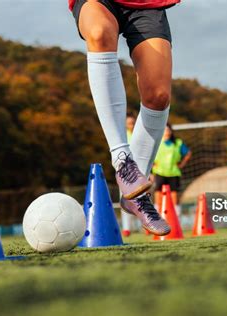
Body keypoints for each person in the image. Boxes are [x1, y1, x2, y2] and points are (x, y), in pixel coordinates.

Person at [69, 0, 181, 235]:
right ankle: (122, 160)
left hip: (146, 4)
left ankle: (136, 196)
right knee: (99, 33)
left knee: (158, 96)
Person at [152, 123, 191, 215]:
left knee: (174, 195)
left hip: (173, 173)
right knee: (158, 194)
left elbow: (188, 153)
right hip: (159, 172)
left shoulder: (177, 143)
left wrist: (182, 164)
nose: (167, 132)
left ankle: (175, 216)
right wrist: (152, 165)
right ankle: (157, 215)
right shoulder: (156, 142)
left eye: (168, 130)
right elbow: (149, 154)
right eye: (165, 130)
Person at [121, 112, 137, 237]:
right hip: (125, 171)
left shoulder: (139, 135)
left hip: (140, 170)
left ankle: (145, 225)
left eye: (132, 123)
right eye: (128, 123)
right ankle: (127, 228)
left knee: (142, 199)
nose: (130, 125)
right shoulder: (121, 136)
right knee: (126, 199)